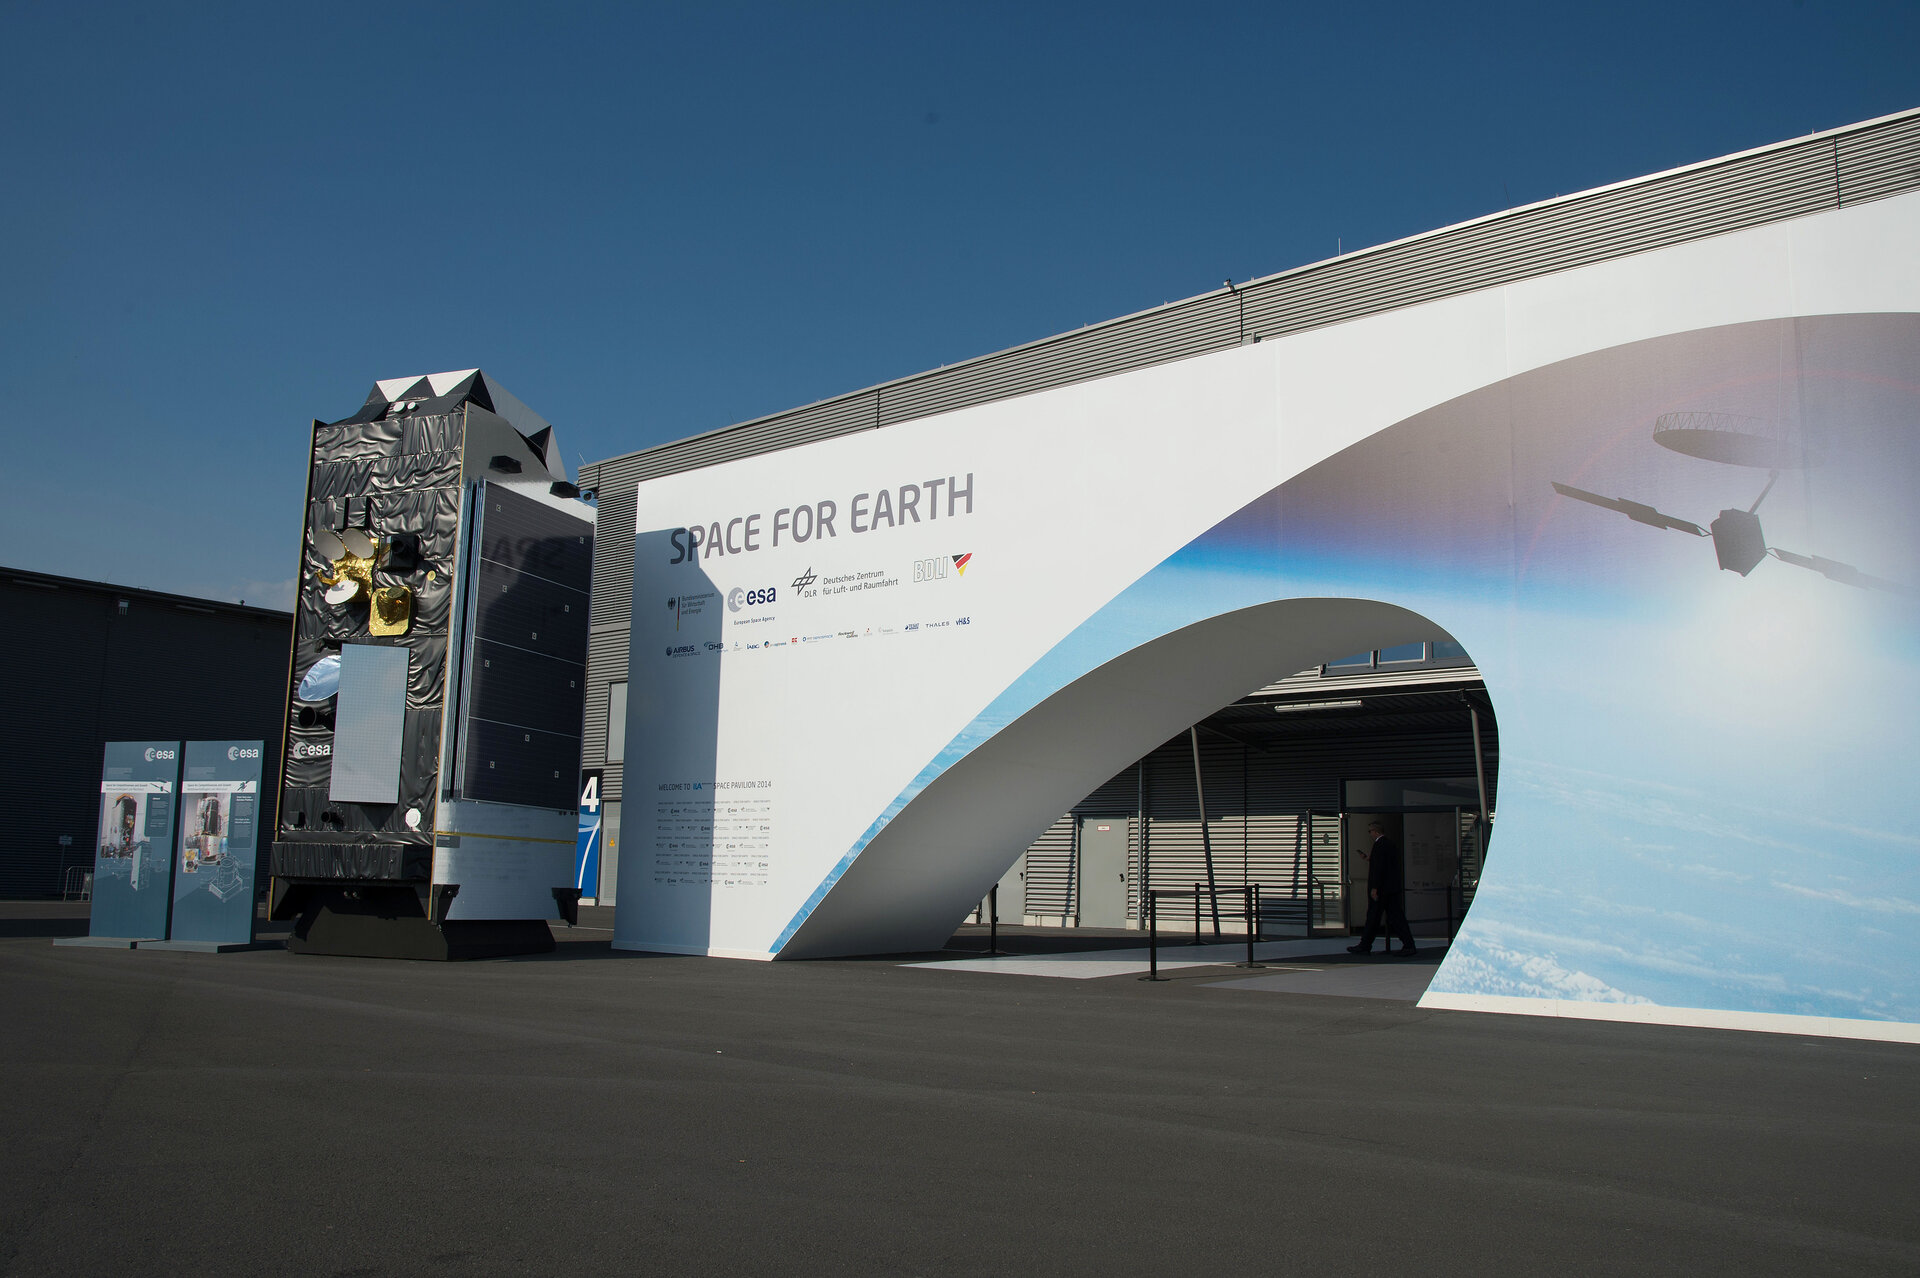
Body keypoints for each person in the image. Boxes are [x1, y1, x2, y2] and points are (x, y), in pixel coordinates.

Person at [1348, 820, 1417, 956]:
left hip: (1381, 889)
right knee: (1396, 917)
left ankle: (1365, 945)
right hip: (1391, 888)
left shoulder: (1379, 845)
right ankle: (1408, 944)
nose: (1370, 834)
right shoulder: (1390, 844)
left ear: (1376, 831)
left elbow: (1379, 868)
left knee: (1373, 917)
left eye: (1370, 831)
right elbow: (1386, 864)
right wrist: (1369, 858)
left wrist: (1374, 888)